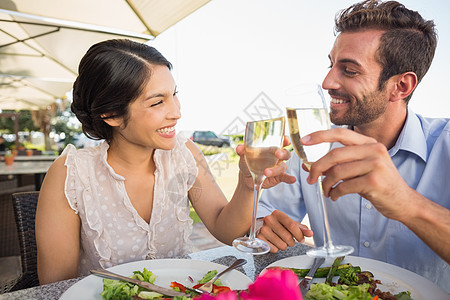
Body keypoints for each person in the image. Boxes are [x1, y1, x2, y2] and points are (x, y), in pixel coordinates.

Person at [36, 39, 295, 284]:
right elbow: (57, 285)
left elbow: (225, 229)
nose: (176, 112)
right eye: (158, 102)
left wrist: (247, 185)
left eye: (174, 94)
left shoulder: (183, 154)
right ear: (111, 114)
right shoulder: (71, 174)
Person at [256, 0, 450, 292]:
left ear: (401, 86)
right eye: (331, 64)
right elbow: (262, 213)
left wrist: (406, 202)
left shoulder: (445, 144)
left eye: (349, 70)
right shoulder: (316, 145)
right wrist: (265, 223)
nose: (327, 81)